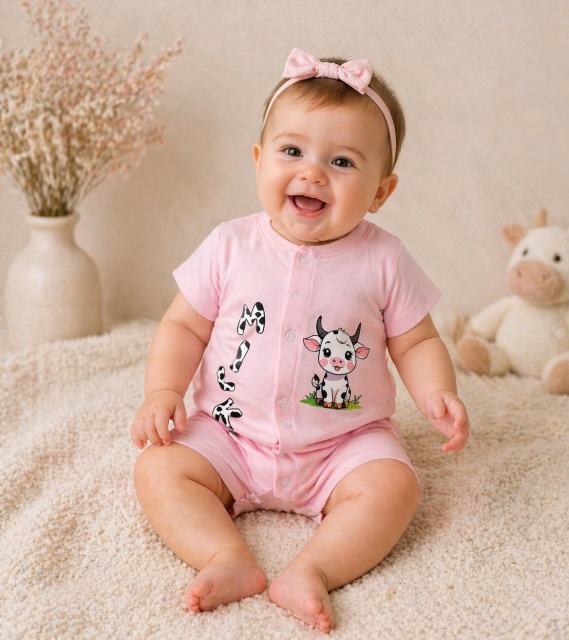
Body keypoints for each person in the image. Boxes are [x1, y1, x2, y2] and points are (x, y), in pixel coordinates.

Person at [131, 48, 470, 634]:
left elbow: (416, 341)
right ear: (259, 160)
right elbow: (183, 326)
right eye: (292, 151)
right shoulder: (230, 245)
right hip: (230, 435)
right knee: (157, 469)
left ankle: (312, 569)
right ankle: (225, 555)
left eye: (342, 161)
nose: (312, 173)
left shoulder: (384, 259)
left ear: (381, 191)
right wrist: (162, 391)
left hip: (343, 444)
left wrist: (437, 392)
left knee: (394, 487)